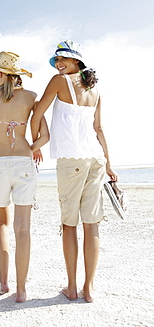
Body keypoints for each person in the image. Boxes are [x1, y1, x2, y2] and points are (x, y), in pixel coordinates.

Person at [31, 40, 118, 303]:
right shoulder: (96, 88)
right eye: (57, 60)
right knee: (91, 226)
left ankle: (72, 288)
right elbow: (99, 129)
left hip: (71, 159)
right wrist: (110, 164)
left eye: (63, 60)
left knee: (69, 224)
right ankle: (89, 289)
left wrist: (36, 143)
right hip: (96, 159)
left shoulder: (60, 82)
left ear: (76, 61)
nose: (59, 64)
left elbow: (37, 112)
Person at [0, 52, 49, 302]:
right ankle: (22, 290)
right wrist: (32, 147)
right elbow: (45, 137)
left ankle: (4, 283)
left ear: (1, 73)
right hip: (24, 162)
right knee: (22, 228)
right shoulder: (30, 97)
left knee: (2, 223)